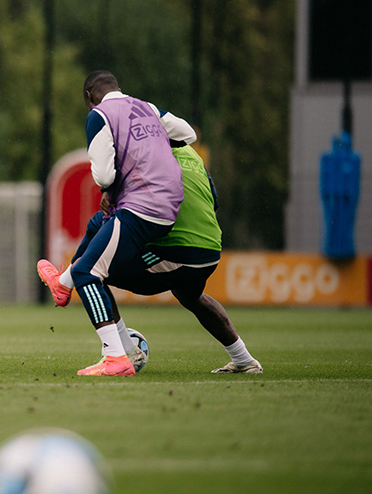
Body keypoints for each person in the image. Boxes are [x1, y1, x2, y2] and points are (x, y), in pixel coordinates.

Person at [45, 143, 262, 374]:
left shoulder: (147, 154)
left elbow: (118, 208)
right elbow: (213, 200)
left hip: (174, 251)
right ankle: (243, 359)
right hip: (209, 250)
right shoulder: (192, 154)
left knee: (92, 269)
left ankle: (122, 350)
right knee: (190, 295)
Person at [37, 70, 197, 376]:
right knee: (99, 223)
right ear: (119, 88)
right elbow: (188, 134)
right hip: (168, 206)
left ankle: (116, 358)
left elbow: (104, 176)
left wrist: (113, 185)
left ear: (89, 96)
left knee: (88, 273)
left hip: (142, 208)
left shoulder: (99, 115)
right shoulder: (147, 108)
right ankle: (62, 283)